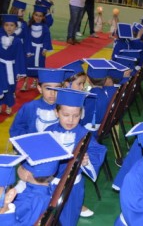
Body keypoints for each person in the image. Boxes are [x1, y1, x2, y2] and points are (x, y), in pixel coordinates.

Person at [46, 88, 107, 226]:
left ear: (81, 113)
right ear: (57, 112)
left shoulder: (84, 134)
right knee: (47, 218)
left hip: (72, 187)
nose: (71, 120)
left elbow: (98, 150)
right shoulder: (49, 131)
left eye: (76, 115)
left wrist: (87, 161)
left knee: (68, 219)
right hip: (48, 185)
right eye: (66, 115)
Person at [10, 131, 73, 226]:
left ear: (27, 175)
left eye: (21, 167)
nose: (18, 168)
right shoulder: (52, 188)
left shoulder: (28, 200)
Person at [9, 68, 65, 137]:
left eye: (57, 88)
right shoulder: (29, 107)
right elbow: (17, 128)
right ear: (40, 89)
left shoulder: (65, 107)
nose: (52, 93)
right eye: (48, 88)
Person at [0, 14, 26, 115]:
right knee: (1, 85)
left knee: (10, 87)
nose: (9, 27)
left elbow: (20, 57)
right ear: (3, 26)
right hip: (0, 66)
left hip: (11, 67)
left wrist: (20, 72)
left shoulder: (17, 41)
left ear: (15, 27)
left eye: (11, 25)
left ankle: (9, 105)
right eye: (6, 25)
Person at [22, 5, 53, 90]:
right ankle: (25, 83)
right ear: (33, 15)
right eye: (36, 15)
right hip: (31, 49)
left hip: (40, 51)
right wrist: (27, 50)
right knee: (27, 65)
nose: (38, 17)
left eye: (40, 16)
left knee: (39, 66)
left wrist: (45, 48)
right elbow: (27, 39)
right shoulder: (29, 26)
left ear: (43, 17)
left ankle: (36, 81)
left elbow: (47, 38)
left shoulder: (45, 27)